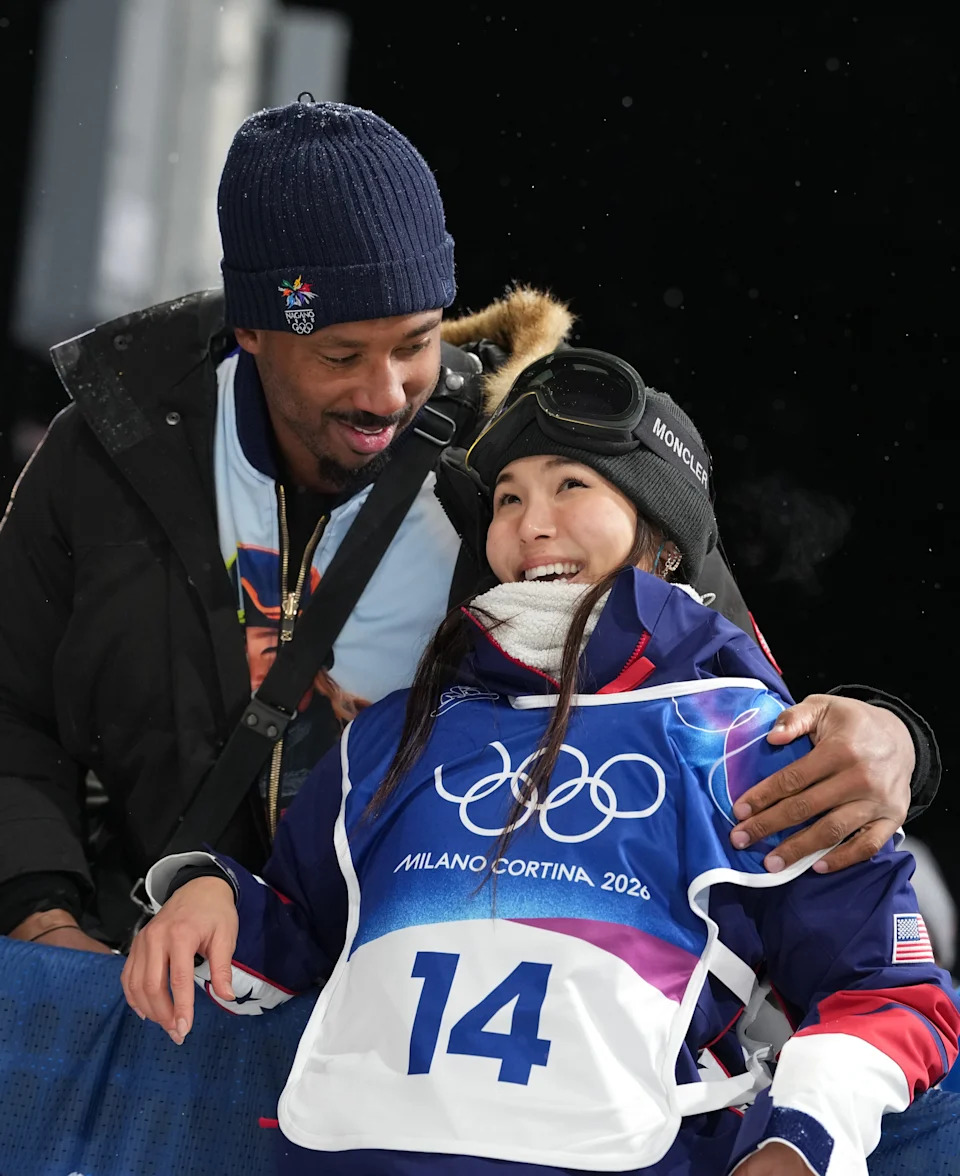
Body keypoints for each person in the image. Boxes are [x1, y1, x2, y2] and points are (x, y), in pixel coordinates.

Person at [0, 98, 936, 953]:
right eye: (339, 354)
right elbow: (12, 708)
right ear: (252, 331)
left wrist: (896, 741)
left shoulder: (520, 459)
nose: (385, 392)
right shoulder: (110, 454)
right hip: (140, 975)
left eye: (416, 342)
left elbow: (725, 692)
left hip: (421, 1022)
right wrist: (41, 916)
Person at [122, 349, 960, 1176]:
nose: (531, 524)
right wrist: (213, 896)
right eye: (508, 497)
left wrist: (802, 1140)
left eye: (571, 486)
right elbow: (301, 929)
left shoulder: (756, 745)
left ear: (661, 533)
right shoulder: (394, 733)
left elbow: (892, 994)